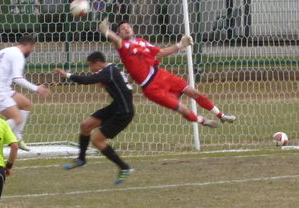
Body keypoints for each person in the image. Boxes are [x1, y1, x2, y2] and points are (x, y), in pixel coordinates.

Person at [98, 19, 235, 128]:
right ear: (120, 34)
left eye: (128, 26)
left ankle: (221, 115)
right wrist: (106, 32)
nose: (126, 28)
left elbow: (161, 53)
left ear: (132, 29)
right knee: (184, 109)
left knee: (195, 93)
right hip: (151, 88)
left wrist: (181, 45)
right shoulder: (122, 46)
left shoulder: (142, 42)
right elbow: (115, 40)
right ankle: (202, 121)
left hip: (162, 76)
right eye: (122, 28)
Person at [54, 51, 134, 184]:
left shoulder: (109, 72)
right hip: (116, 107)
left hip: (123, 113)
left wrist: (67, 75)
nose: (90, 69)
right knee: (86, 125)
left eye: (90, 66)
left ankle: (124, 167)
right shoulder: (110, 69)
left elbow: (87, 80)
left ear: (97, 63)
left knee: (97, 141)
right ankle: (81, 159)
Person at [0, 35, 50, 151]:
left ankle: (17, 137)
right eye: (32, 49)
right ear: (29, 46)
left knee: (26, 104)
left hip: (3, 88)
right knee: (17, 118)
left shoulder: (5, 51)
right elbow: (17, 78)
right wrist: (36, 88)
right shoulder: (18, 55)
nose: (31, 51)